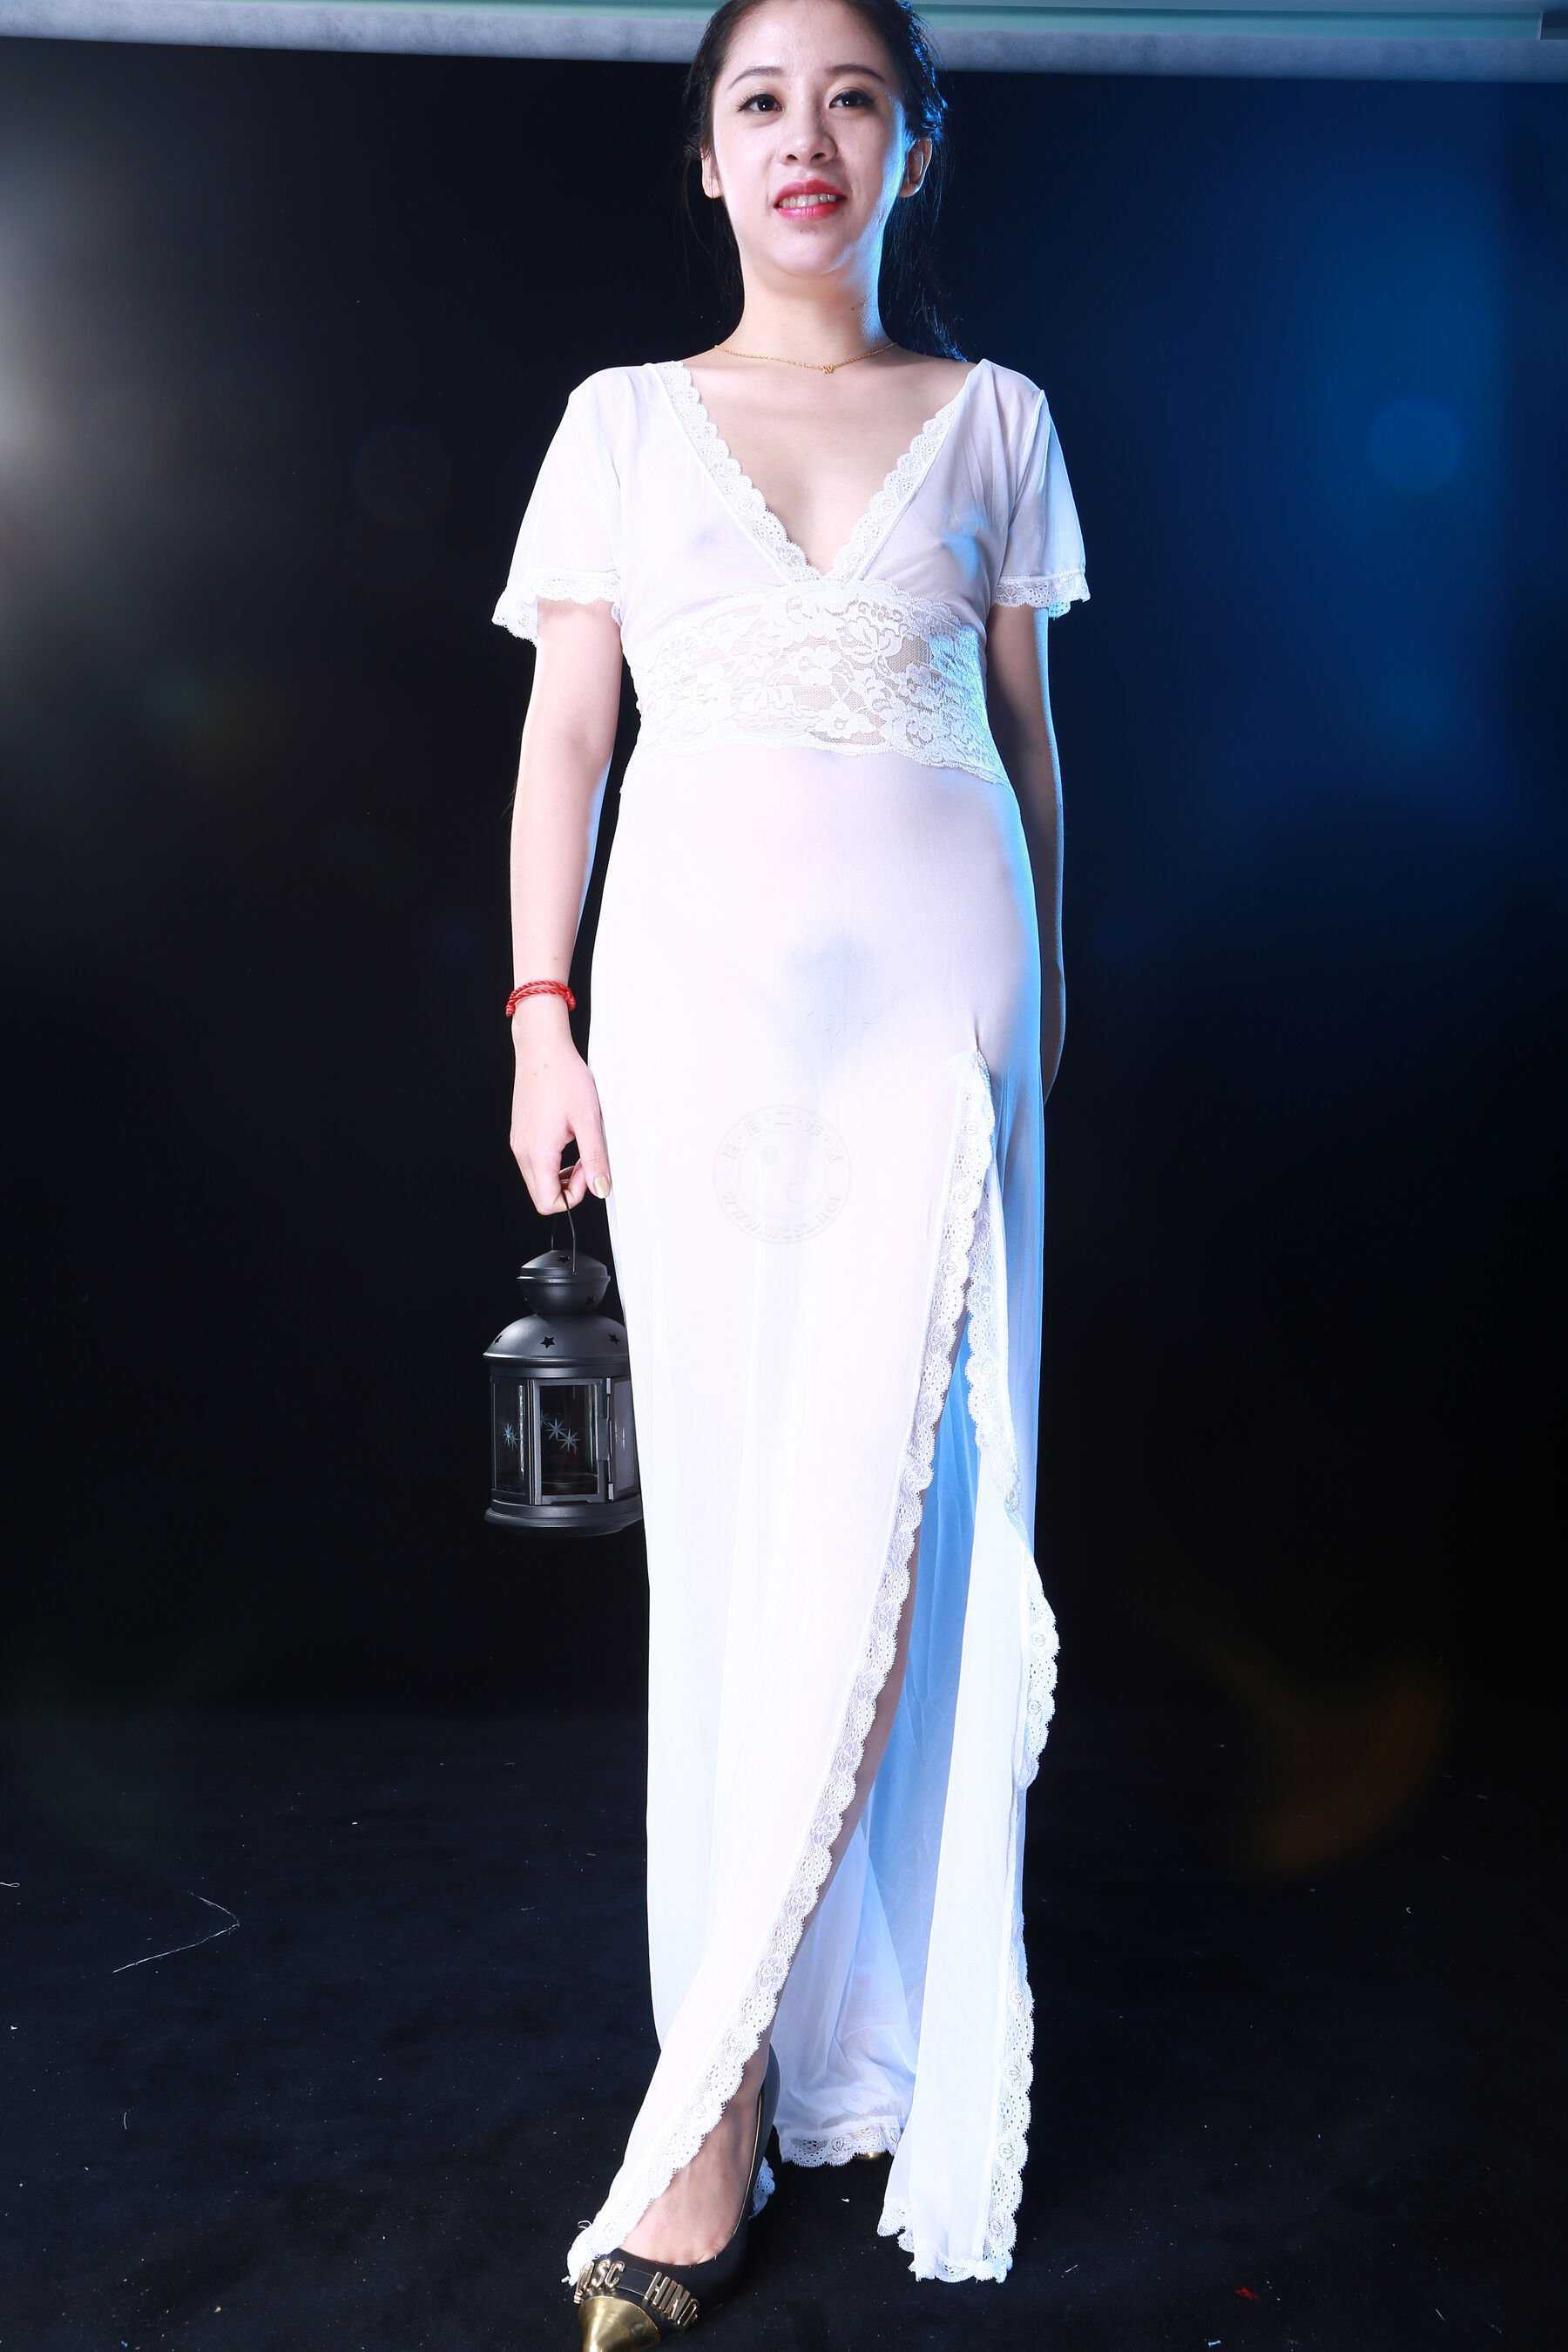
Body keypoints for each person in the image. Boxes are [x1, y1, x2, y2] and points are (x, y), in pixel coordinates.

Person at [493, 0, 1089, 2335]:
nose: (807, 136)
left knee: (905, 1514)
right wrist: (540, 1020)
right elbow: (567, 740)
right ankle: (730, 2071)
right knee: (745, 1536)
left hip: (946, 1019)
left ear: (914, 144)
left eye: (855, 97)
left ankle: (735, 2090)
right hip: (700, 1026)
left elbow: (1031, 745)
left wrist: (1057, 1000)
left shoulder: (1000, 418)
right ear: (707, 155)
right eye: (763, 100)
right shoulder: (621, 424)